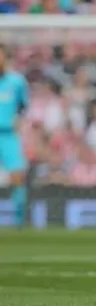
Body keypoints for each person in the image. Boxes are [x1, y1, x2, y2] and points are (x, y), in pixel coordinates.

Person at [0, 45, 30, 227]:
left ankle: (19, 222)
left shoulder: (16, 82)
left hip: (7, 134)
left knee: (17, 176)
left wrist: (18, 120)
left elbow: (23, 106)